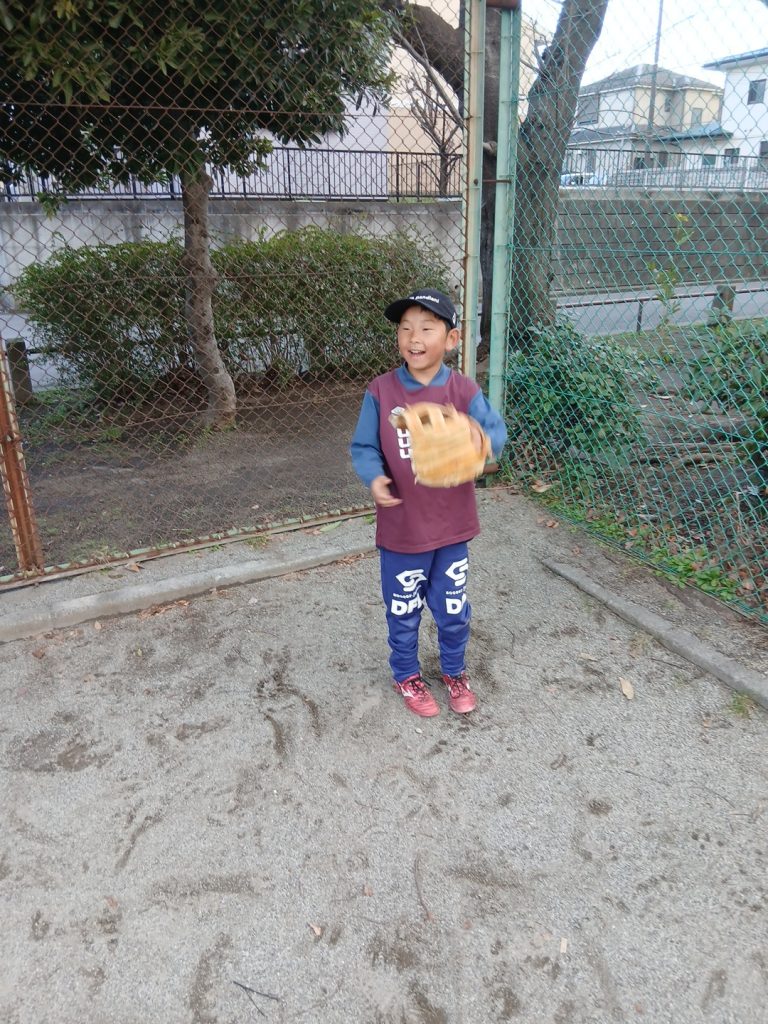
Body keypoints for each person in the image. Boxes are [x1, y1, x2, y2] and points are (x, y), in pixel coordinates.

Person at [350, 288, 507, 718]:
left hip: (452, 527)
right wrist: (375, 477)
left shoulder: (463, 391)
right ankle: (406, 674)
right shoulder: (381, 391)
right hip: (402, 529)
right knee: (403, 610)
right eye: (405, 329)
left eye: (426, 328)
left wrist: (479, 438)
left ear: (452, 339)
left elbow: (496, 433)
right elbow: (364, 446)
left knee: (453, 608)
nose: (413, 337)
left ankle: (454, 670)